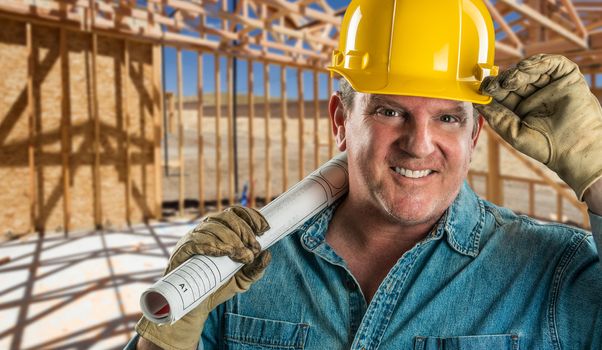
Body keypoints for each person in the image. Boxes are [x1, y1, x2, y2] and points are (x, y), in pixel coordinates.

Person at [127, 0, 602, 348]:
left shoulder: (554, 273)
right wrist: (167, 336)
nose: (418, 144)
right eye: (391, 111)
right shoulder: (243, 270)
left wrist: (599, 174)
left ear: (474, 134)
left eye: (448, 118)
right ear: (340, 120)